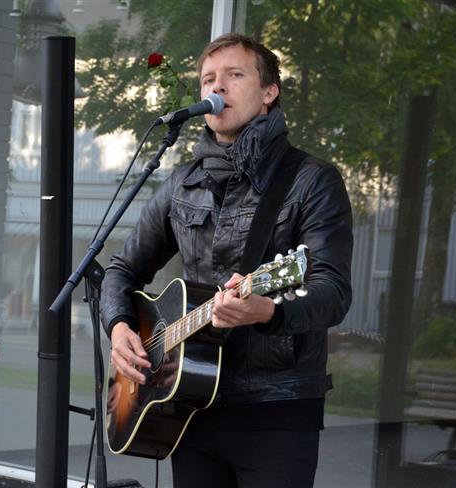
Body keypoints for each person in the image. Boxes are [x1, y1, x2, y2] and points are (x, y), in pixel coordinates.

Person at [100, 33, 353, 487]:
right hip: (190, 403)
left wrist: (269, 311)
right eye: (209, 79)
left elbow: (332, 294)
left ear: (269, 92)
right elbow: (121, 269)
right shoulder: (182, 183)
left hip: (277, 410)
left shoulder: (311, 181)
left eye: (235, 75)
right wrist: (120, 326)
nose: (219, 88)